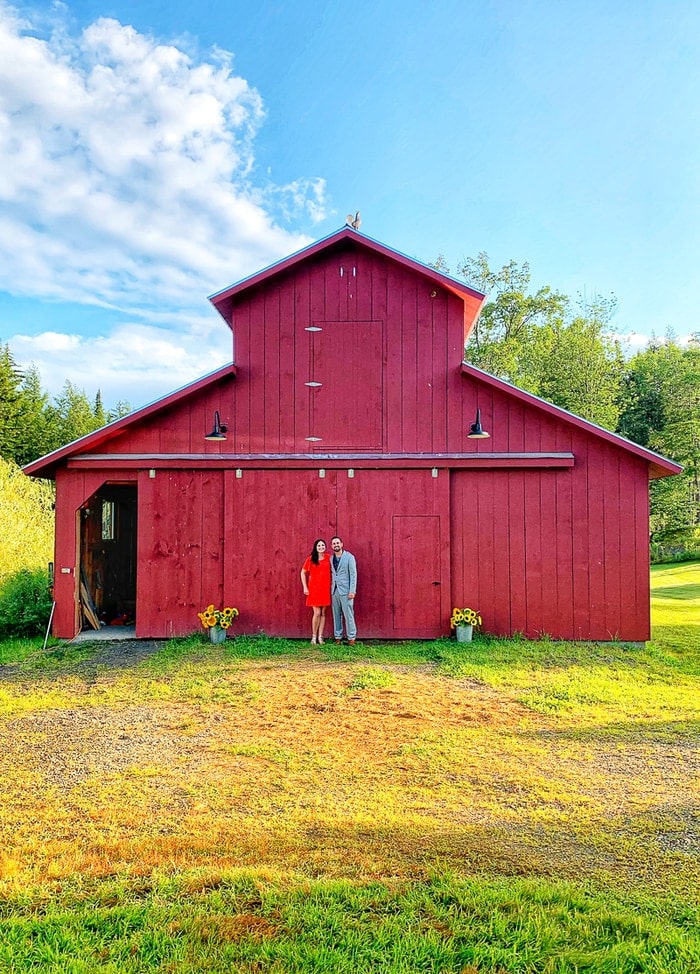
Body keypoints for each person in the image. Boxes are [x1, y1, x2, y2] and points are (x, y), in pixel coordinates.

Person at [300, 539, 331, 645]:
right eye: (319, 545)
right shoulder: (311, 559)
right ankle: (313, 636)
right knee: (317, 613)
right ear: (316, 547)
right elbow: (303, 572)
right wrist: (305, 587)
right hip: (314, 589)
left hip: (325, 589)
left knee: (323, 613)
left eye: (323, 545)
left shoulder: (328, 558)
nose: (321, 547)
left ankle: (320, 637)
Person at [330, 536, 357, 644]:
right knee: (336, 614)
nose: (336, 545)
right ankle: (338, 636)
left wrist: (352, 591)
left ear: (341, 544)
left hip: (346, 591)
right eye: (334, 543)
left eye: (337, 543)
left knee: (348, 614)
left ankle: (351, 637)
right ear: (332, 546)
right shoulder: (331, 558)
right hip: (334, 590)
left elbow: (353, 574)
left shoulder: (349, 557)